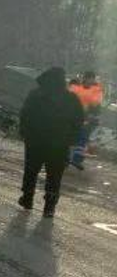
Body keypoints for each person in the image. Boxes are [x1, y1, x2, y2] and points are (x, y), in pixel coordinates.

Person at [17, 65, 85, 217]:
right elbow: (79, 121)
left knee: (31, 171)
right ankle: (49, 208)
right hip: (59, 146)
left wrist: (24, 133)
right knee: (54, 176)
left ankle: (27, 199)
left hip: (35, 142)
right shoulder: (71, 98)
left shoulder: (35, 95)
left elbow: (25, 115)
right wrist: (70, 139)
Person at [69, 71, 104, 170]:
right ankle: (67, 158)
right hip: (74, 117)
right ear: (84, 78)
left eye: (92, 79)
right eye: (88, 79)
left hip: (86, 119)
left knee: (82, 138)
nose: (90, 81)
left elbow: (96, 105)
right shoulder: (76, 87)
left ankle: (76, 159)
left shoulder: (96, 90)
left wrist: (95, 116)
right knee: (72, 138)